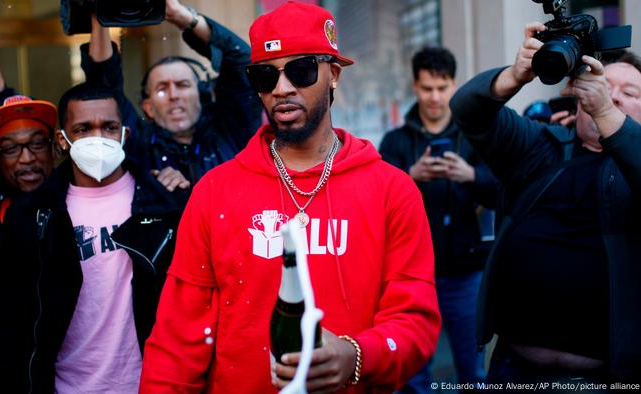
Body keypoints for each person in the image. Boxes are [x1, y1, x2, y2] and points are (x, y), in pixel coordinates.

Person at [140, 2, 441, 393]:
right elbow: (177, 340)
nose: (281, 89)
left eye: (301, 70)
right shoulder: (215, 191)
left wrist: (356, 355)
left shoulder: (392, 190)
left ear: (333, 75)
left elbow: (414, 321)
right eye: (265, 75)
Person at [450, 21, 641, 382]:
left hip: (607, 378)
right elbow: (467, 110)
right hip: (512, 370)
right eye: (602, 86)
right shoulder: (541, 145)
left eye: (629, 93)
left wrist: (606, 113)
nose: (612, 95)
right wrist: (514, 76)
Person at [0, 83, 188, 393]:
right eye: (82, 128)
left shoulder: (165, 204)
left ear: (125, 134)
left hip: (150, 383)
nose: (97, 138)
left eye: (109, 127)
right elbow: (10, 317)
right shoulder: (31, 214)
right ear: (62, 141)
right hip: (65, 386)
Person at [380, 47, 496, 392]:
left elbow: (503, 191)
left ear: (453, 85)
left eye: (442, 87)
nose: (434, 97)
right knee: (413, 376)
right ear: (415, 86)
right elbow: (377, 201)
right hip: (411, 274)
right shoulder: (396, 141)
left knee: (473, 372)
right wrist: (410, 175)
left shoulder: (476, 137)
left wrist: (470, 175)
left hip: (466, 271)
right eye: (427, 88)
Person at [81, 0, 261, 196]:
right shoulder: (139, 143)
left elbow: (240, 59)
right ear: (148, 108)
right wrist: (98, 15)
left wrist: (179, 14)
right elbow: (103, 87)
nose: (173, 96)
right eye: (162, 89)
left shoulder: (231, 130)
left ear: (201, 95)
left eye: (183, 85)